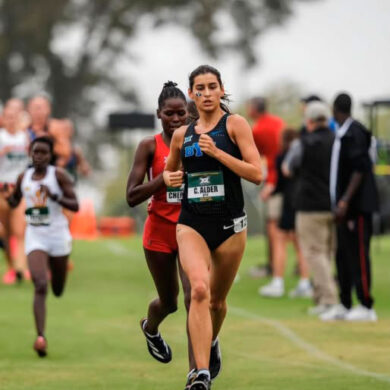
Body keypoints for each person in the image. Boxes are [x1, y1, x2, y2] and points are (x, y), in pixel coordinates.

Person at [164, 65, 262, 390]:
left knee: (217, 302)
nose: (206, 94)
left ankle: (212, 341)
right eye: (199, 89)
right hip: (192, 224)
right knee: (199, 291)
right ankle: (200, 374)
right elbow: (170, 174)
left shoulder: (234, 125)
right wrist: (171, 179)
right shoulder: (182, 135)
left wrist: (218, 153)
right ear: (192, 93)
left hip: (231, 226)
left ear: (222, 90)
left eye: (211, 87)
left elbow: (256, 173)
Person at [126, 82, 194, 380]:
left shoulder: (197, 140)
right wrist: (162, 181)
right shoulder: (149, 146)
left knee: (196, 297)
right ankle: (150, 328)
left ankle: (199, 369)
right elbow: (132, 196)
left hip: (191, 227)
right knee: (170, 302)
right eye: (170, 114)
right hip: (160, 231)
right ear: (159, 114)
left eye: (182, 114)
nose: (176, 119)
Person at [1, 136, 79, 356]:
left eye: (44, 153)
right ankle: (41, 336)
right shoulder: (23, 177)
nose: (39, 156)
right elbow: (16, 201)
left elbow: (75, 204)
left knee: (57, 289)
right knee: (40, 284)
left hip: (58, 237)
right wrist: (9, 198)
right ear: (30, 154)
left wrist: (55, 196)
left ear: (50, 155)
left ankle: (57, 281)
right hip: (36, 237)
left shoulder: (59, 176)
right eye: (36, 152)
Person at [321, 93, 379, 322]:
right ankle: (345, 303)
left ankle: (366, 305)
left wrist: (345, 201)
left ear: (334, 109)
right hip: (343, 208)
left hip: (357, 207)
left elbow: (361, 168)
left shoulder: (355, 132)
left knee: (359, 256)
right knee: (342, 255)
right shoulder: (342, 132)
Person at [283, 101, 338, 314]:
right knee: (327, 252)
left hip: (308, 205)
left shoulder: (302, 143)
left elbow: (288, 168)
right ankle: (321, 296)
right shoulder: (337, 141)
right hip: (333, 204)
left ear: (309, 121)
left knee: (314, 253)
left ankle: (329, 300)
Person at [259, 129, 311, 298]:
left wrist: (269, 192)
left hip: (290, 203)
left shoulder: (283, 157)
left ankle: (278, 281)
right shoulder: (305, 156)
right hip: (304, 203)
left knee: (280, 242)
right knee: (300, 244)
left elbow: (279, 183)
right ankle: (304, 282)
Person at [247, 97, 285, 278]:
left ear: (255, 109)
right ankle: (298, 269)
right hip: (288, 181)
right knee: (291, 230)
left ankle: (273, 269)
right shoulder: (279, 122)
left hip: (272, 181)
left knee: (273, 229)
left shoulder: (259, 129)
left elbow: (252, 155)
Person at [0, 103, 30, 283]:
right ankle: (11, 266)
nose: (11, 120)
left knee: (20, 231)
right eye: (8, 117)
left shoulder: (24, 138)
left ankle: (20, 269)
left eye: (14, 117)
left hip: (19, 189)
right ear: (4, 119)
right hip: (1, 190)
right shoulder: (1, 137)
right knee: (5, 232)